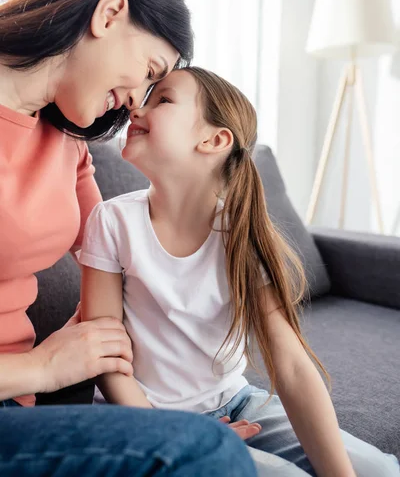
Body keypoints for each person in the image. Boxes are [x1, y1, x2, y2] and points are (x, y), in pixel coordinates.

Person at [0, 0, 256, 477]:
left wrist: (179, 410)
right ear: (109, 14)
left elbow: (127, 259)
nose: (135, 102)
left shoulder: (65, 138)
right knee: (209, 455)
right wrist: (41, 366)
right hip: (24, 385)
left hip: (25, 405)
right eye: (149, 71)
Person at [80, 66, 400, 477]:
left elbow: (292, 366)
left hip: (236, 402)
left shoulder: (240, 233)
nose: (136, 109)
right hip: (144, 419)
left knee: (377, 470)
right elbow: (106, 358)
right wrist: (179, 434)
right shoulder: (112, 221)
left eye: (162, 99)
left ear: (214, 140)